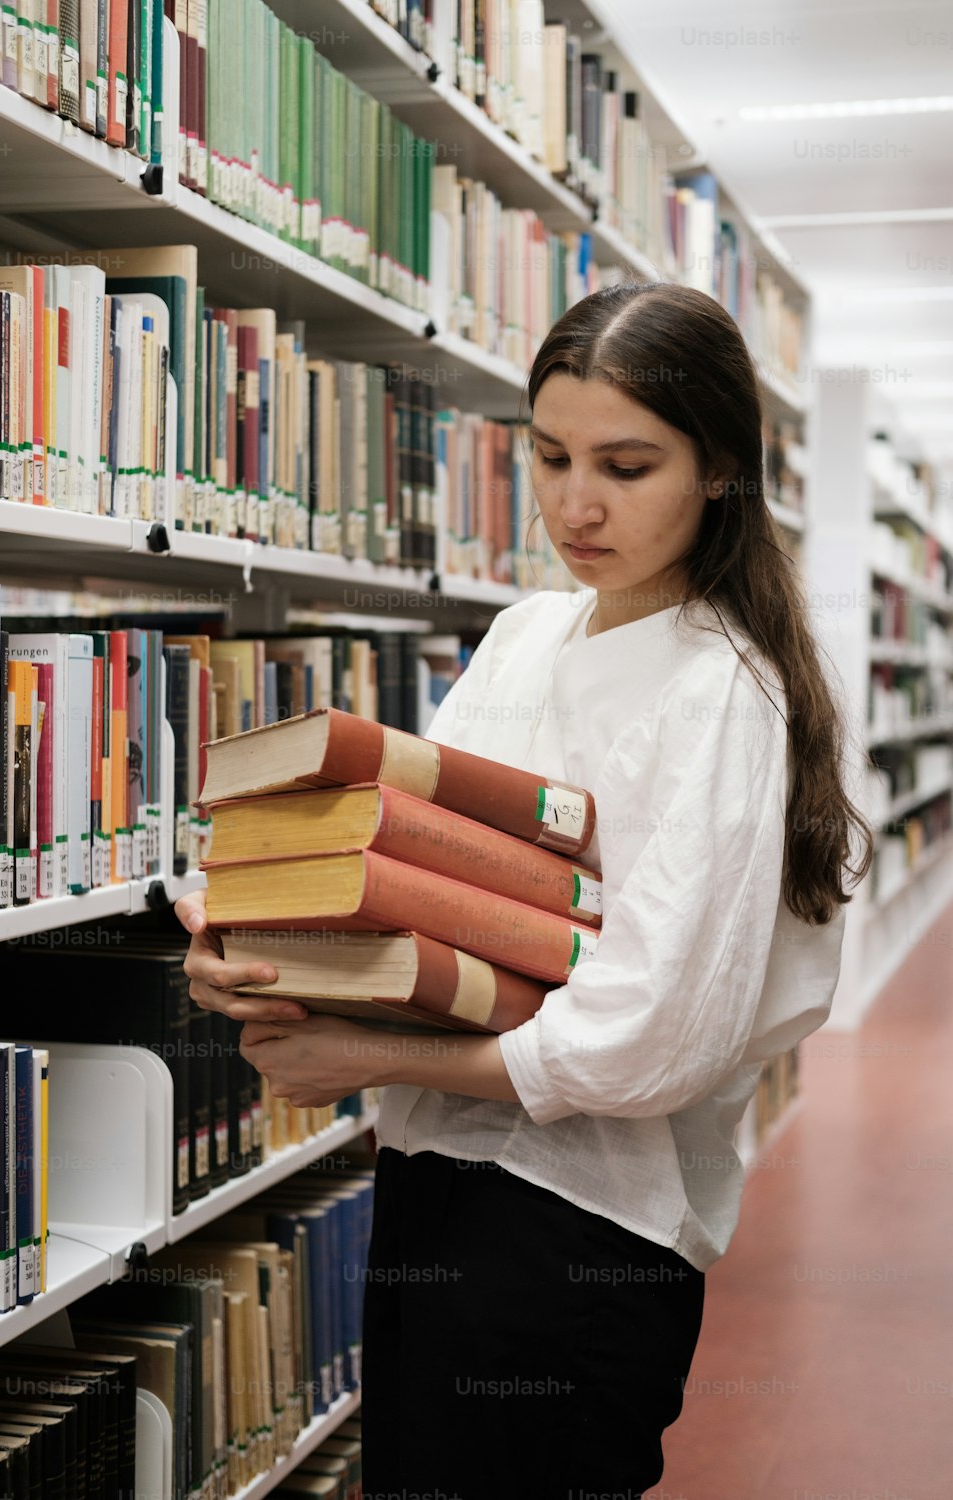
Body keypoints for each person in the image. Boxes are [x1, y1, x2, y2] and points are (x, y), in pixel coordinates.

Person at [176, 282, 872, 1500]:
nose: (573, 503)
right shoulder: (521, 636)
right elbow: (410, 883)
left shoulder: (722, 691)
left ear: (717, 471)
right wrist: (255, 936)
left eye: (626, 464)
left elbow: (647, 1043)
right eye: (548, 456)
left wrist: (363, 1056)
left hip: (580, 1236)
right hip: (431, 1192)